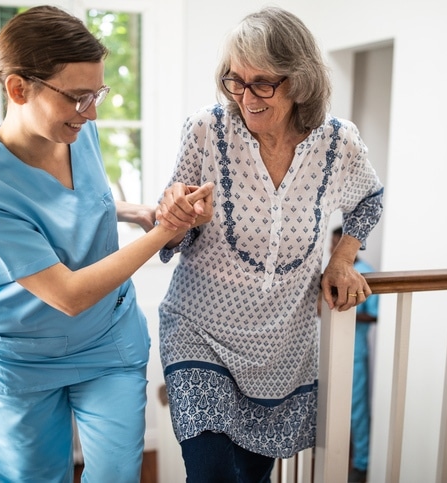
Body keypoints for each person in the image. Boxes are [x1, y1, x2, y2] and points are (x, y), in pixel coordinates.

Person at [0, 6, 213, 482]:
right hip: (24, 356)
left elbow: (80, 206)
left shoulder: (75, 132)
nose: (92, 112)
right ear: (18, 88)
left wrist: (139, 213)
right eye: (77, 97)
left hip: (108, 338)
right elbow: (67, 293)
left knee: (116, 474)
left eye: (97, 94)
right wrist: (165, 232)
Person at [154, 7, 384, 482]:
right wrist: (175, 218)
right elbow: (174, 228)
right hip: (199, 330)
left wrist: (342, 260)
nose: (245, 96)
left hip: (282, 347)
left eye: (262, 83)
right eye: (234, 81)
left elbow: (369, 199)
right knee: (211, 474)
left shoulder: (338, 143)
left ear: (300, 82)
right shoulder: (206, 130)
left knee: (252, 476)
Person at [331, 227, 379, 483]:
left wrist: (344, 310)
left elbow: (375, 314)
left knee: (357, 410)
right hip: (329, 350)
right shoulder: (330, 272)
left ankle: (361, 463)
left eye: (336, 244)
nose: (331, 249)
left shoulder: (367, 272)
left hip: (355, 351)